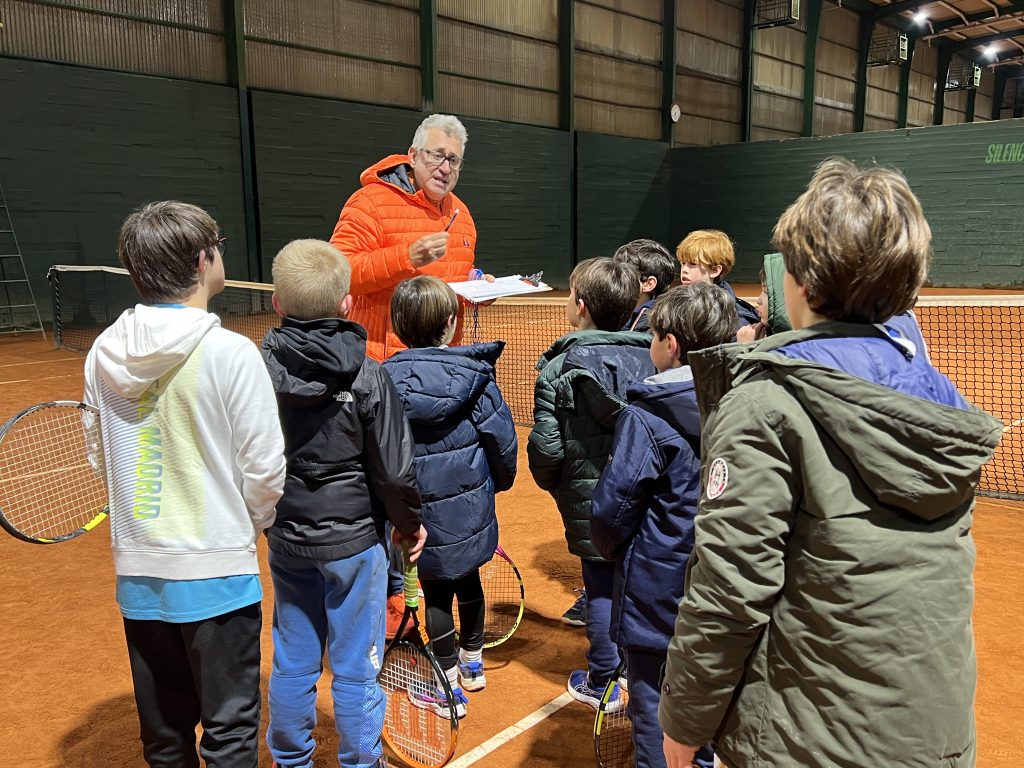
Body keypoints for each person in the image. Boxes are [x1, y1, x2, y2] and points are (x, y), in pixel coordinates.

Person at [658, 158, 1003, 768]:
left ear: (800, 282)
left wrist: (684, 724)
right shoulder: (940, 397)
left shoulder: (764, 404)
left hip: (806, 742)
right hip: (935, 735)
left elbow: (729, 588)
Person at [83, 201, 287, 767]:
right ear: (203, 260)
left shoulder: (101, 352)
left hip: (139, 575)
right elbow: (265, 470)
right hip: (218, 575)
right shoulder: (232, 353)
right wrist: (241, 528)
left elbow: (100, 456)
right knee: (230, 731)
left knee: (165, 735)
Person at [260, 239, 426, 768]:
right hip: (355, 543)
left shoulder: (254, 371)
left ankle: (290, 759)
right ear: (347, 303)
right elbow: (394, 471)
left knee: (293, 658)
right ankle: (361, 761)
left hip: (287, 538)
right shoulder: (370, 374)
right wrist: (408, 524)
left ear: (277, 304)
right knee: (357, 666)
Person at [591, 282, 736, 768]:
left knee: (655, 706)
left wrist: (609, 547)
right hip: (724, 587)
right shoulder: (747, 404)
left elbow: (613, 510)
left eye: (653, 334)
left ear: (670, 344)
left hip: (659, 591)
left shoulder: (646, 417)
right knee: (708, 704)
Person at [382, 275, 517, 717]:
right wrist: (496, 485)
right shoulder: (476, 377)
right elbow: (502, 442)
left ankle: (446, 686)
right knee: (469, 580)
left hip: (416, 512)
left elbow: (377, 452)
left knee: (437, 594)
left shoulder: (381, 381)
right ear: (451, 323)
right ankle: (472, 665)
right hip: (470, 507)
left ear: (398, 325)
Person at [527, 257, 655, 710]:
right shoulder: (654, 355)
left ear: (579, 306)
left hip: (591, 499)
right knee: (637, 583)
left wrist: (554, 484)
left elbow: (547, 450)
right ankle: (638, 672)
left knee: (600, 588)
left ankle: (603, 680)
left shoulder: (558, 367)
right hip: (646, 493)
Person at [330, 113, 479, 363]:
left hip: (443, 359)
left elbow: (456, 273)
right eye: (437, 155)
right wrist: (407, 257)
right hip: (381, 363)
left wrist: (478, 286)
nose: (445, 168)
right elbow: (339, 275)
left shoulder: (461, 214)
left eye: (453, 160)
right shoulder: (368, 201)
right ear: (413, 156)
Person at [675, 229, 760, 329]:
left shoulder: (733, 319)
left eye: (692, 264)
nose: (684, 270)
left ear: (715, 270)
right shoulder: (674, 305)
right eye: (683, 263)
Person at [612, 238, 678, 333]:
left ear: (648, 284)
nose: (612, 280)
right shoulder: (617, 313)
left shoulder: (656, 326)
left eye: (623, 275)